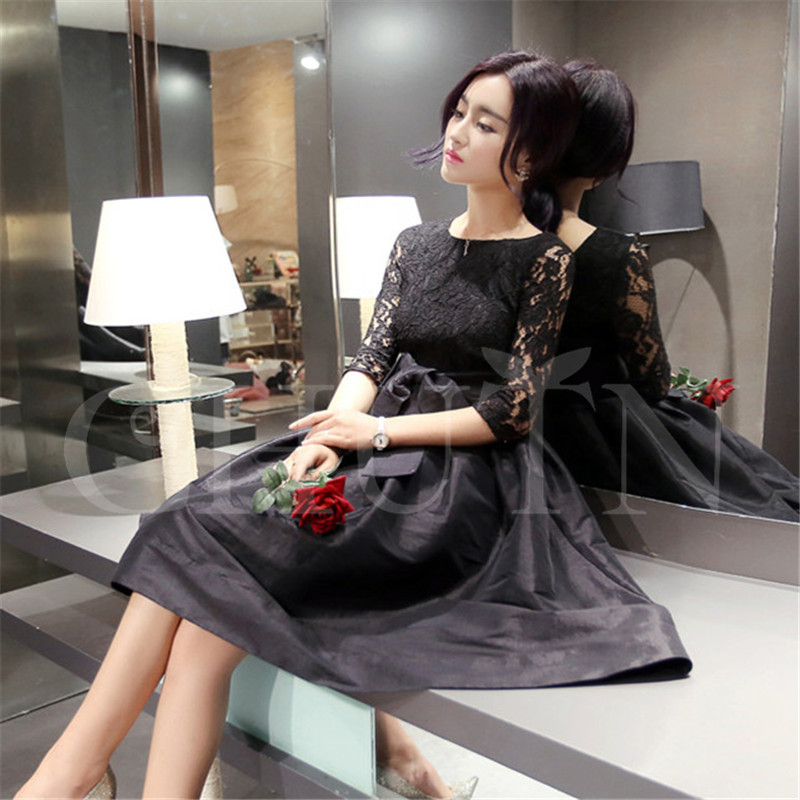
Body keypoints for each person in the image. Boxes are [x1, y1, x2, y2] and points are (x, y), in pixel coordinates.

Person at [16, 52, 691, 800]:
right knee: (196, 574)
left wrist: (373, 437)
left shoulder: (545, 260)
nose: (456, 132)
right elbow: (374, 354)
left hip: (456, 472)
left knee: (209, 589)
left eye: (485, 123)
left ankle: (72, 775)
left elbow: (513, 409)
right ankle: (76, 771)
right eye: (459, 111)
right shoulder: (415, 243)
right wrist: (326, 433)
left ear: (528, 154)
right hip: (371, 433)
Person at [545, 58, 799, 521]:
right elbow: (653, 379)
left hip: (508, 433)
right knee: (762, 499)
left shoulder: (480, 244)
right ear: (606, 165)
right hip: (599, 439)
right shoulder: (614, 255)